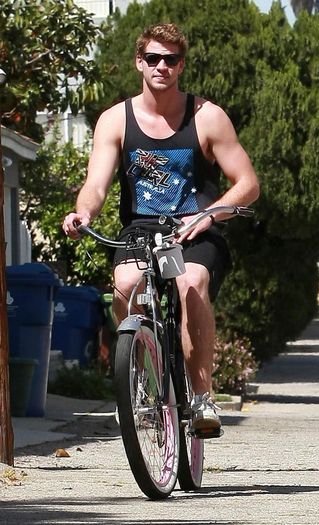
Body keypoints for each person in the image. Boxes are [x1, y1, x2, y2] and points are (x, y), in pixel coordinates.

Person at [63, 23, 260, 438]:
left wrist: (210, 215)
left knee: (190, 281)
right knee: (126, 284)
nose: (161, 67)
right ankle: (141, 380)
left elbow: (248, 184)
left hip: (194, 230)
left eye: (171, 60)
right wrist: (83, 213)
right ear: (140, 62)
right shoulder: (115, 120)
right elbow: (96, 185)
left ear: (181, 65)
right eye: (153, 58)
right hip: (141, 231)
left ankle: (203, 398)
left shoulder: (207, 117)